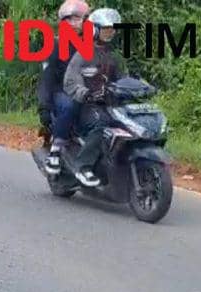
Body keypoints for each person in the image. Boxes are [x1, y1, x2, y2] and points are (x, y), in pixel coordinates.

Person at [64, 7, 125, 187]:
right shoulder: (83, 53)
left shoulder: (114, 56)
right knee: (102, 126)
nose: (109, 33)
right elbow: (70, 81)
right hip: (88, 106)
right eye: (105, 29)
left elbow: (123, 79)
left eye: (112, 29)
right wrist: (86, 94)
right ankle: (83, 167)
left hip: (110, 105)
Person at [39, 0, 91, 175]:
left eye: (79, 19)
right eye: (71, 20)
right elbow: (46, 79)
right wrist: (44, 107)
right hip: (61, 92)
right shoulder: (54, 45)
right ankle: (55, 151)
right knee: (70, 105)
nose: (75, 24)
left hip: (85, 91)